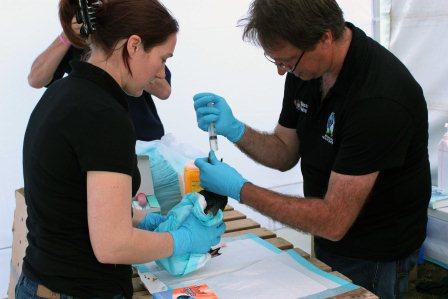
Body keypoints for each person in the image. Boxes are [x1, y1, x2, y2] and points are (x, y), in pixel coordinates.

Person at [193, 0, 431, 298]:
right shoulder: (306, 70)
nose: (282, 71)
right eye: (275, 61)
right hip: (329, 238)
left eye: (287, 61)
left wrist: (241, 190)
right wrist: (235, 130)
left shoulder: (379, 98)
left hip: (375, 254)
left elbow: (333, 220)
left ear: (325, 37)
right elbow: (283, 151)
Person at [18, 0, 225, 298]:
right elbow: (113, 245)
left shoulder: (64, 93)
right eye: (162, 58)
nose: (160, 72)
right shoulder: (104, 114)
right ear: (134, 45)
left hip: (42, 280)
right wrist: (181, 240)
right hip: (78, 289)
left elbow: (74, 204)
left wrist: (145, 220)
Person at [28, 17, 172, 142]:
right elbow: (36, 79)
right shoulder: (78, 42)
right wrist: (67, 35)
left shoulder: (136, 35)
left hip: (143, 141)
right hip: (98, 139)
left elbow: (164, 91)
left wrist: (123, 63)